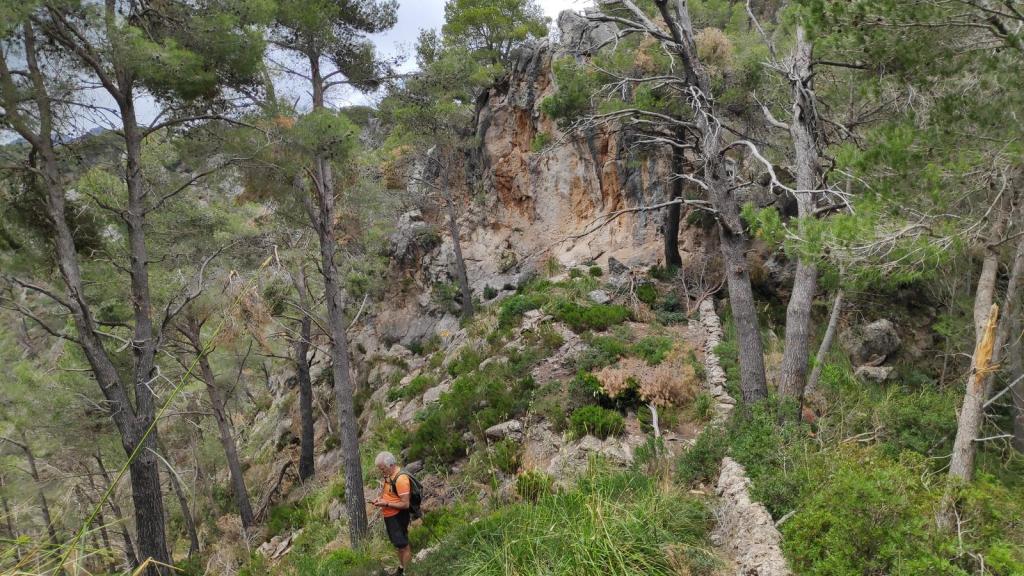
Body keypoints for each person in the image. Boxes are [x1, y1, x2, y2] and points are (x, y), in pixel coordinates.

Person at [371, 451, 412, 575]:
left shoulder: (401, 479)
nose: (381, 471)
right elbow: (390, 494)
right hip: (390, 516)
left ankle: (408, 572)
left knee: (403, 545)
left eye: (382, 468)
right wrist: (381, 499)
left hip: (398, 517)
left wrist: (386, 504)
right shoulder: (389, 476)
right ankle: (401, 568)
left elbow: (405, 504)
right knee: (398, 545)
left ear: (391, 465)